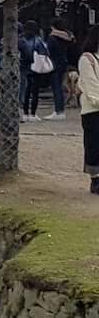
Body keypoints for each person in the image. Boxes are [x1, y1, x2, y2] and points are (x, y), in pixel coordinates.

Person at [20, 20, 52, 118]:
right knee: (35, 92)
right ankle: (33, 114)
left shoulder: (20, 39)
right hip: (36, 67)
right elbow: (45, 52)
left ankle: (24, 112)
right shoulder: (38, 40)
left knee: (25, 90)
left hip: (24, 67)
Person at [81, 29, 99, 195]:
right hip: (93, 110)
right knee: (94, 144)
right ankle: (96, 179)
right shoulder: (87, 59)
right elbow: (91, 86)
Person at [48, 21, 77, 120]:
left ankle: (58, 110)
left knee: (56, 88)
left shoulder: (52, 38)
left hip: (54, 64)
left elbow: (49, 50)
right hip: (64, 64)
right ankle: (61, 110)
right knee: (60, 87)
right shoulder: (68, 38)